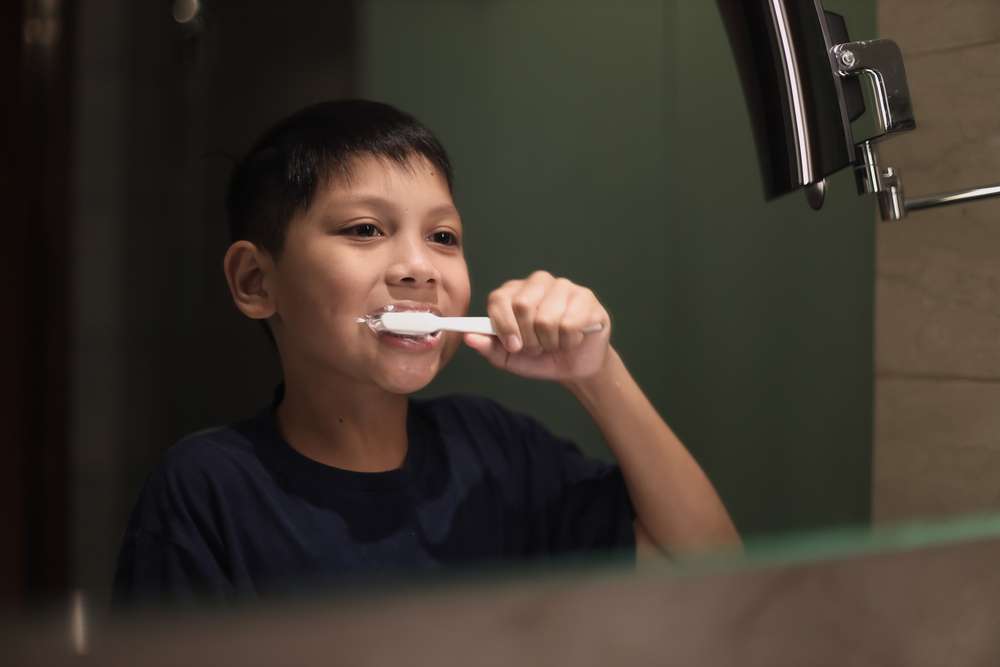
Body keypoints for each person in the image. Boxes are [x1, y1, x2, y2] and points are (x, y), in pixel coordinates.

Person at [112, 99, 739, 606]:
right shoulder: (210, 488)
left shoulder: (498, 455)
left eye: (443, 237)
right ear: (255, 281)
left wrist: (598, 373)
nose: (418, 267)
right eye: (365, 230)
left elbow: (716, 580)